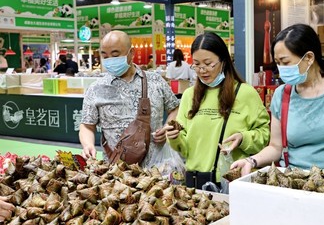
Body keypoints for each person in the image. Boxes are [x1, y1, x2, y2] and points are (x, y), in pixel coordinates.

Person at [231, 24, 324, 178]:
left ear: (309, 58)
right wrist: (252, 161)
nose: (281, 69)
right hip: (295, 185)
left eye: (285, 62)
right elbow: (275, 146)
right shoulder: (282, 95)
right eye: (277, 63)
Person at [165, 32, 270, 188]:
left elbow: (265, 135)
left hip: (231, 181)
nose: (202, 70)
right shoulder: (189, 95)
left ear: (224, 61)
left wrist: (243, 138)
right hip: (194, 183)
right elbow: (184, 147)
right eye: (197, 64)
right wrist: (174, 137)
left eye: (208, 63)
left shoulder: (245, 93)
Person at [79, 30, 180, 168]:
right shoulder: (96, 89)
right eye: (105, 55)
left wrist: (167, 128)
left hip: (157, 169)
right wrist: (88, 145)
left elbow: (175, 108)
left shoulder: (155, 81)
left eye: (115, 54)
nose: (110, 60)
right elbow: (86, 125)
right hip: (115, 172)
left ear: (131, 53)